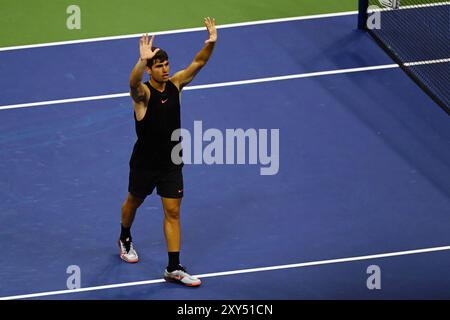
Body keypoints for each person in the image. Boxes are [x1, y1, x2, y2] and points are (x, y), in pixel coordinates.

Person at [118, 17, 217, 287]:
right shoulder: (144, 95)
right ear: (149, 69)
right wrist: (140, 60)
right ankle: (125, 235)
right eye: (158, 65)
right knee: (133, 203)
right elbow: (132, 83)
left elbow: (198, 63)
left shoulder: (175, 86)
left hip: (172, 163)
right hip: (144, 165)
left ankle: (173, 267)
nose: (164, 69)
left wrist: (211, 43)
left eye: (166, 64)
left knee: (173, 212)